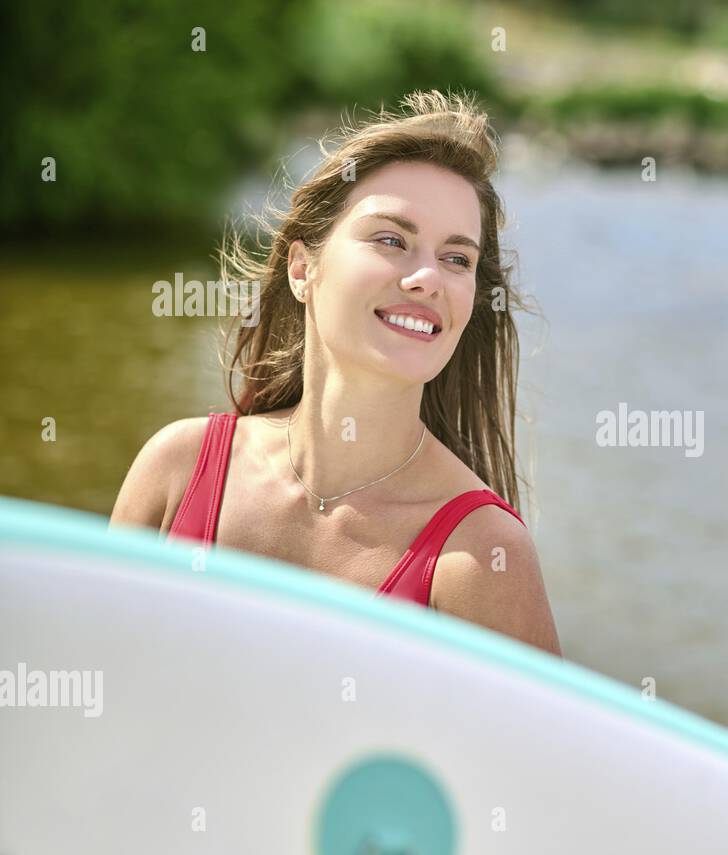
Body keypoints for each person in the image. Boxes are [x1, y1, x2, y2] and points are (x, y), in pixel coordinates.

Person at [110, 90, 560, 657]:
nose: (427, 279)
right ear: (303, 268)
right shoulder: (178, 470)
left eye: (456, 258)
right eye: (391, 240)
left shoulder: (482, 556)